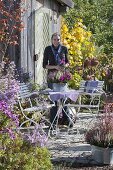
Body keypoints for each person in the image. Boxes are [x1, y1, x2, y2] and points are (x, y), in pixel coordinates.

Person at [43, 32, 73, 128]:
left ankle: (67, 120)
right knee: (54, 101)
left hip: (62, 78)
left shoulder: (64, 49)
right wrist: (55, 66)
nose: (56, 41)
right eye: (54, 39)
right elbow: (44, 65)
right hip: (52, 78)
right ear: (52, 40)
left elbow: (68, 62)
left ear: (60, 40)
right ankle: (53, 123)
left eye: (58, 39)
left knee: (64, 99)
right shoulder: (48, 49)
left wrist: (64, 66)